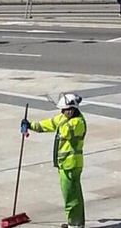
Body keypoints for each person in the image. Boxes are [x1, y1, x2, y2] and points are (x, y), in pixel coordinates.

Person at [21, 93, 87, 228]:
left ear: (72, 109)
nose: (62, 112)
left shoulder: (78, 122)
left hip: (71, 165)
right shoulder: (65, 117)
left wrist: (59, 122)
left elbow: (65, 131)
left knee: (71, 197)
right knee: (72, 194)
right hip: (64, 164)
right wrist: (31, 125)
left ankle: (75, 225)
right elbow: (49, 124)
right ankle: (75, 223)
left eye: (64, 110)